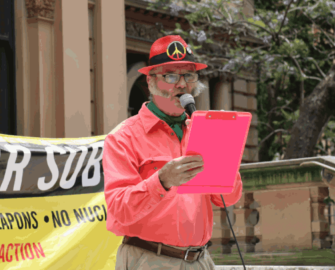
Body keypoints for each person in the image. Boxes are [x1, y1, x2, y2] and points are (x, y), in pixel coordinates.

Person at [102, 35, 243, 270]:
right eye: (170, 75)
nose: (181, 84)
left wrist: (225, 155)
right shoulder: (123, 137)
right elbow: (118, 209)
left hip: (200, 260)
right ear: (150, 81)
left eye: (188, 75)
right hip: (148, 259)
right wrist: (162, 181)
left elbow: (228, 199)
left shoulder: (202, 132)